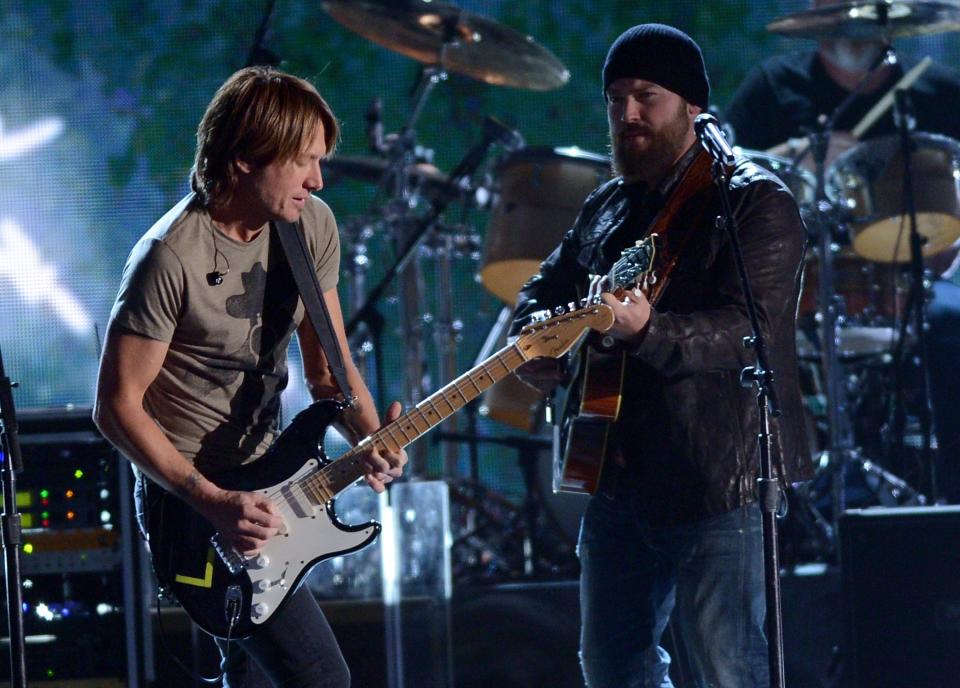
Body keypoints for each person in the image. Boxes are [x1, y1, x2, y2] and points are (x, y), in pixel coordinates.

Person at [512, 24, 811, 688]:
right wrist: (533, 340)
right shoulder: (610, 204)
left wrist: (650, 331)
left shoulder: (753, 200)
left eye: (647, 96)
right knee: (613, 668)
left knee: (727, 666)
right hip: (620, 473)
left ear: (693, 106)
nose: (628, 115)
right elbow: (541, 288)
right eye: (616, 99)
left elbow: (749, 331)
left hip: (717, 479)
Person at [93, 66, 407, 688]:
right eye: (303, 163)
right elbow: (116, 406)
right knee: (322, 678)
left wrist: (373, 437)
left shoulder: (309, 224)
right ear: (243, 159)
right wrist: (212, 502)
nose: (318, 181)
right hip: (191, 501)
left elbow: (329, 370)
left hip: (272, 482)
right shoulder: (169, 257)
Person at [726, 0, 960, 504]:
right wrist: (796, 156)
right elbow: (723, 179)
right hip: (806, 281)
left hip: (922, 278)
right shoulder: (773, 88)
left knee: (950, 324)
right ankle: (773, 503)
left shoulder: (939, 91)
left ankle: (949, 502)